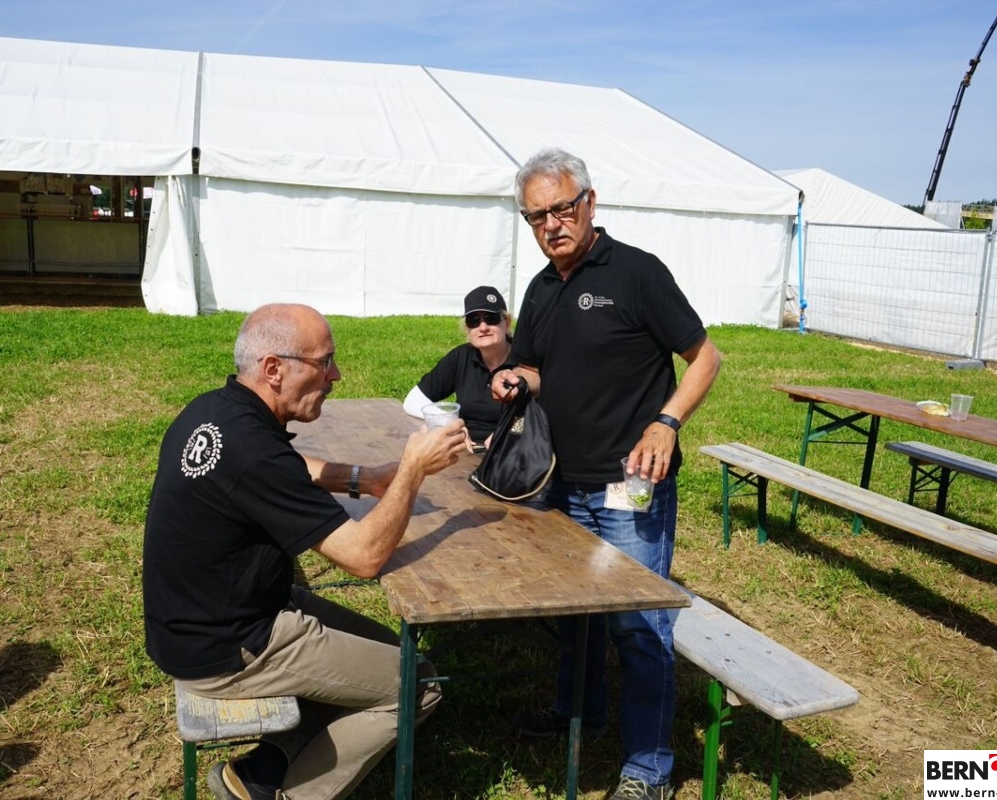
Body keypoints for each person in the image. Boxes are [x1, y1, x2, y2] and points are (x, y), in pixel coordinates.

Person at [143, 303, 467, 800]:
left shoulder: (214, 411)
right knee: (417, 683)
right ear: (274, 369)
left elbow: (290, 465)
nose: (336, 375)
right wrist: (412, 469)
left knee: (395, 654)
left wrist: (364, 479)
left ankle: (260, 772)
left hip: (201, 622)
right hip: (231, 647)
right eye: (325, 362)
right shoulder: (254, 452)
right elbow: (363, 557)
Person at [492, 149, 721, 800]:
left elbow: (706, 357)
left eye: (562, 209)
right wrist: (516, 379)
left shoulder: (637, 273)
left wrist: (666, 423)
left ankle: (649, 770)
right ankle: (580, 713)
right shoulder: (541, 288)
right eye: (536, 216)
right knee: (575, 613)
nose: (551, 225)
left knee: (639, 624)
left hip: (631, 483)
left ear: (590, 202)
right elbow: (536, 366)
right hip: (561, 482)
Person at [402, 285, 515, 451]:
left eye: (491, 318)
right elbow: (413, 401)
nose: (483, 327)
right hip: (463, 449)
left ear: (507, 323)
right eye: (474, 321)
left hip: (512, 450)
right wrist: (451, 424)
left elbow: (546, 413)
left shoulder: (526, 361)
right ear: (468, 330)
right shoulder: (461, 357)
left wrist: (509, 432)